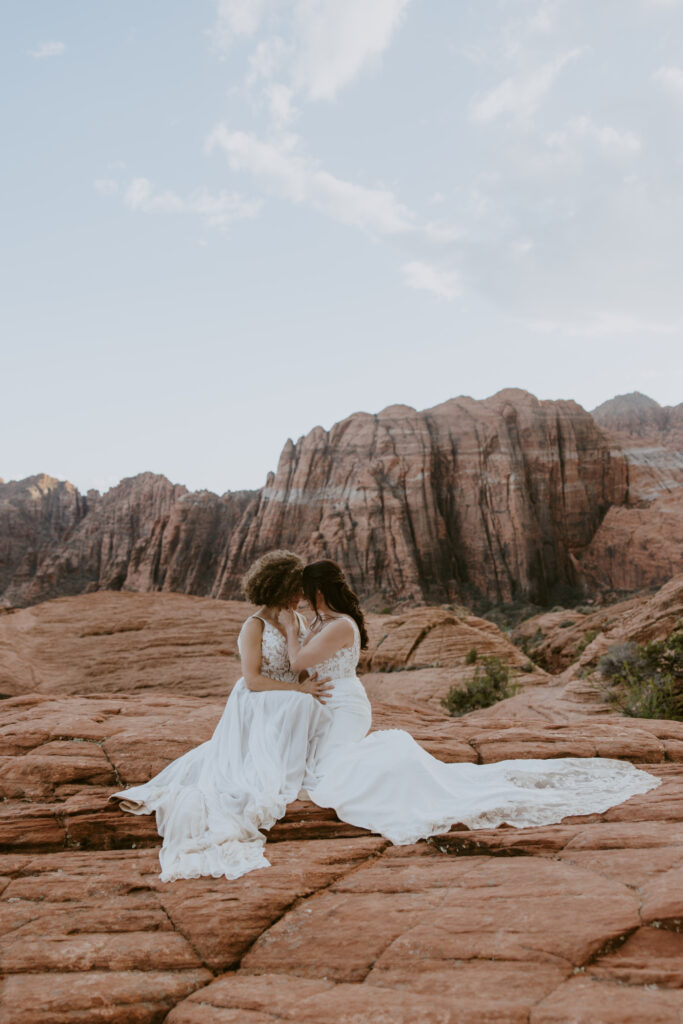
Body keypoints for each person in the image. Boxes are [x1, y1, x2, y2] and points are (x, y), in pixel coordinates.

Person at [279, 559, 661, 846]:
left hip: (345, 705)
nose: (298, 599)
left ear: (318, 591)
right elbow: (300, 667)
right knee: (320, 764)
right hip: (324, 704)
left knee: (333, 770)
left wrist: (287, 628)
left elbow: (298, 660)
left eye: (302, 592)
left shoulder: (341, 624)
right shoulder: (317, 622)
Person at [110, 550, 333, 881]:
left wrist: (307, 684)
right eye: (297, 587)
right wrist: (297, 693)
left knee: (316, 708)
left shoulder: (295, 620)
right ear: (280, 586)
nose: (302, 595)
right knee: (300, 707)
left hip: (285, 698)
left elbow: (296, 666)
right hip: (258, 700)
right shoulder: (253, 626)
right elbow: (253, 680)